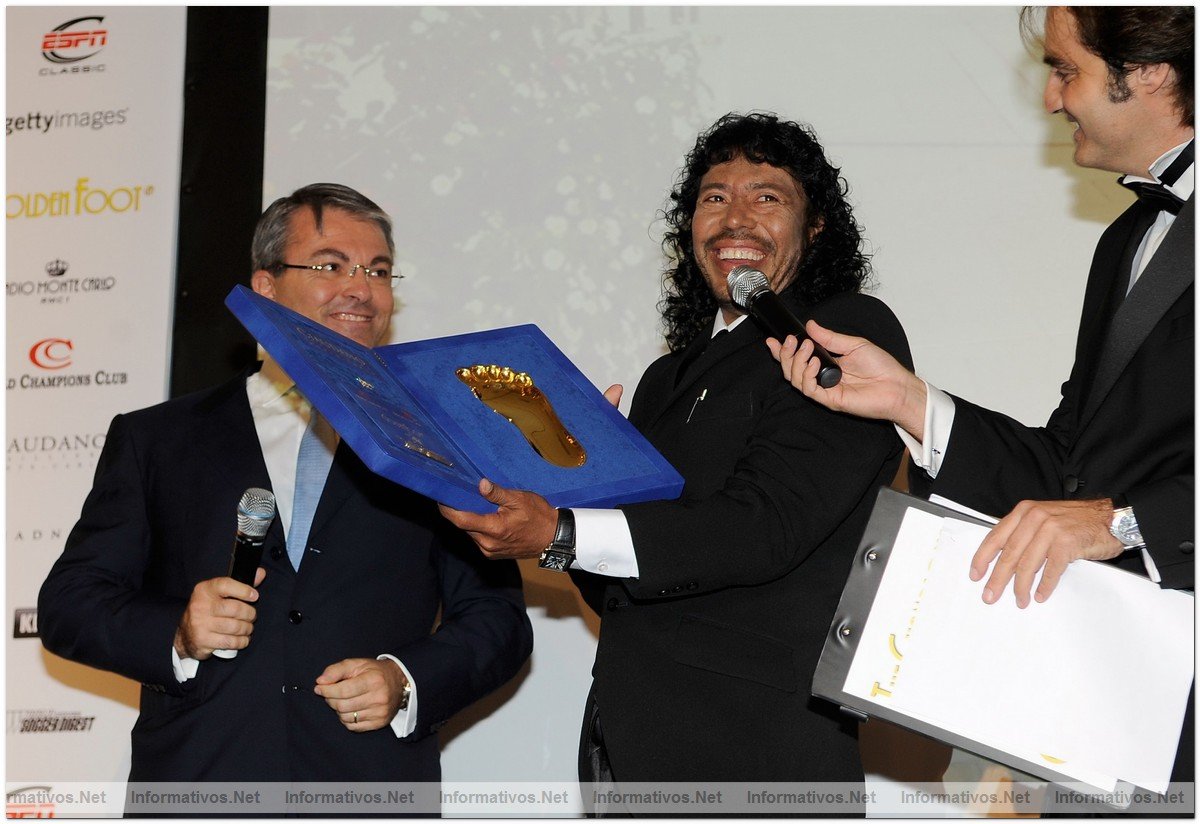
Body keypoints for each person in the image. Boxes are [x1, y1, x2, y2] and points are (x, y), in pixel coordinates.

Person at [770, 5, 1193, 785]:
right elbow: (1068, 469)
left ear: (1152, 72)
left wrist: (1126, 521)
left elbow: (1097, 511)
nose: (1051, 100)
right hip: (1124, 720)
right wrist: (908, 401)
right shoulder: (1127, 241)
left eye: (1067, 71)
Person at [441, 113, 912, 794]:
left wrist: (564, 529)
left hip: (758, 758)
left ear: (815, 229)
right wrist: (576, 484)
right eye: (714, 197)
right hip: (627, 751)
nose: (735, 218)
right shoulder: (667, 378)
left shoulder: (844, 335)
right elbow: (626, 592)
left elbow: (763, 528)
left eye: (767, 196)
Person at [38, 184, 533, 796]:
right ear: (265, 288)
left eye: (377, 270)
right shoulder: (157, 439)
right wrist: (177, 632)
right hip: (200, 786)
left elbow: (498, 620)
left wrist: (405, 679)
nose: (360, 287)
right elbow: (70, 605)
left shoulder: (440, 438)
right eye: (330, 265)